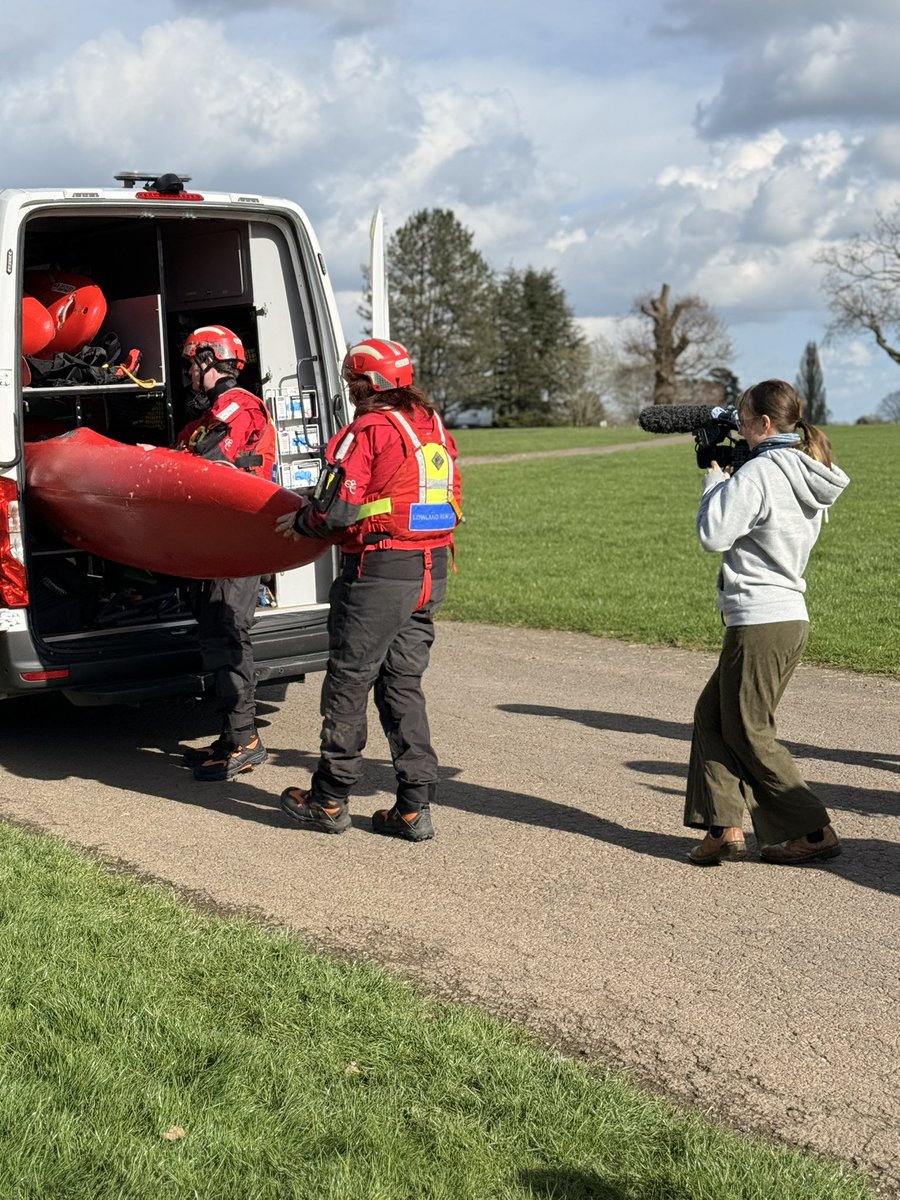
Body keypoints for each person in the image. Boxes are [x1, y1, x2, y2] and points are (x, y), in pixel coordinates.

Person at [274, 338, 462, 841]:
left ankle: (330, 800)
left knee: (350, 682)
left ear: (366, 384)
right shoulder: (430, 426)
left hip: (379, 575)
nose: (347, 387)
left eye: (350, 378)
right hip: (431, 571)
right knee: (403, 686)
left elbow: (336, 511)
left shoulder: (367, 431)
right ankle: (413, 807)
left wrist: (301, 521)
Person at [684, 379, 850, 866]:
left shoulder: (763, 473)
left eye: (741, 416)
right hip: (781, 617)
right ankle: (724, 827)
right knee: (712, 717)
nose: (736, 424)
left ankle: (814, 830)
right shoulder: (802, 467)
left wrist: (717, 482)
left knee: (750, 731)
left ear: (762, 423)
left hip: (762, 618)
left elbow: (714, 534)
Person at [176, 325, 276, 782]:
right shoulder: (209, 416)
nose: (187, 373)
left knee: (230, 636)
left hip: (235, 543)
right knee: (216, 637)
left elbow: (210, 468)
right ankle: (230, 735)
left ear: (208, 361)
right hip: (214, 546)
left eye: (190, 364)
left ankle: (246, 740)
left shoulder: (238, 408)